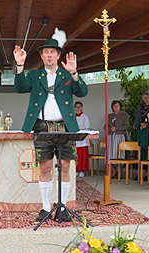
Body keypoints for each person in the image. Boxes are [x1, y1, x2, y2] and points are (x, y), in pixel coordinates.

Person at [12, 31, 87, 223]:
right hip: (42, 126)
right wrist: (20, 65)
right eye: (46, 52)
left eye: (52, 52)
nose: (49, 55)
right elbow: (20, 88)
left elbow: (82, 92)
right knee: (45, 167)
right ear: (42, 56)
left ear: (58, 55)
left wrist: (74, 73)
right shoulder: (35, 75)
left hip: (65, 126)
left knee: (64, 166)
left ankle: (62, 208)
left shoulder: (67, 75)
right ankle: (46, 208)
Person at [107, 100, 129, 178]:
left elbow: (127, 126)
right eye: (114, 106)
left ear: (120, 107)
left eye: (117, 106)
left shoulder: (124, 115)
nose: (115, 107)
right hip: (111, 137)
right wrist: (110, 129)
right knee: (112, 153)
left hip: (120, 136)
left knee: (120, 153)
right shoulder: (109, 116)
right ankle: (113, 171)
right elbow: (105, 126)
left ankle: (120, 172)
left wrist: (117, 128)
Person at [135, 92, 149, 161]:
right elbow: (136, 121)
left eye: (148, 98)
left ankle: (148, 166)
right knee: (140, 147)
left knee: (148, 147)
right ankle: (140, 164)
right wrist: (140, 124)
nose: (147, 99)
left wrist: (147, 125)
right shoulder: (139, 109)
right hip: (141, 132)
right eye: (145, 98)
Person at [73, 102, 90, 177]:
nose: (78, 108)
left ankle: (82, 170)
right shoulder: (72, 116)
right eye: (76, 107)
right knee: (76, 155)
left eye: (79, 107)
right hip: (75, 138)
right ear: (74, 108)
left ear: (82, 107)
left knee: (83, 156)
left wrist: (80, 130)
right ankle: (76, 170)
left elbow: (87, 127)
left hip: (83, 139)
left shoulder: (85, 117)